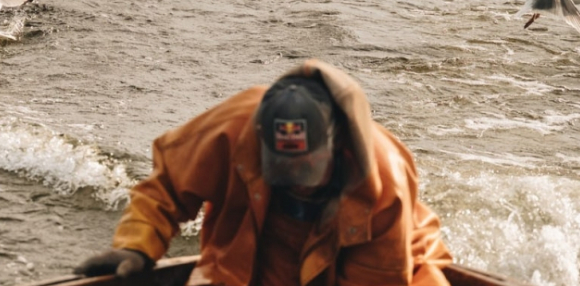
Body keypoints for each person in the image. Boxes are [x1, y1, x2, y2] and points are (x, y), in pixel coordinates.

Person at [76, 59, 452, 286]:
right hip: (267, 243)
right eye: (282, 170)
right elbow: (166, 187)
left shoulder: (383, 183)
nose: (296, 185)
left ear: (336, 147)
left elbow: (378, 281)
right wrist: (137, 246)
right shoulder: (232, 127)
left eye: (306, 171)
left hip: (393, 265)